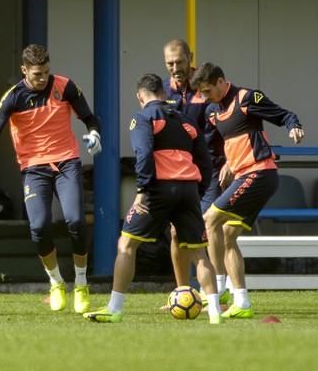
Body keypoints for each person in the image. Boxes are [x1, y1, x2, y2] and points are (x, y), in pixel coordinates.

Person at [0, 44, 101, 314]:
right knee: (39, 227)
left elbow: (89, 117)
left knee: (75, 220)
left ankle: (81, 284)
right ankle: (55, 283)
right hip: (33, 169)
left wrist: (95, 133)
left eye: (46, 73)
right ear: (24, 70)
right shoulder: (13, 97)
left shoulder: (64, 86)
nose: (43, 79)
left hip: (66, 163)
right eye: (37, 74)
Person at [83, 73, 223, 324]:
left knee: (126, 245)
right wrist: (197, 191)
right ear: (162, 92)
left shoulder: (143, 118)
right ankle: (214, 312)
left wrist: (142, 191)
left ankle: (114, 308)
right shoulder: (187, 121)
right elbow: (205, 161)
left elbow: (144, 154)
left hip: (157, 192)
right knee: (200, 254)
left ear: (140, 97)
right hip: (188, 191)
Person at [190, 62, 304, 319]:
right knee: (228, 235)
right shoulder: (212, 111)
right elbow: (235, 139)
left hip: (260, 173)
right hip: (245, 174)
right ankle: (241, 301)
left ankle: (217, 291)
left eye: (209, 90)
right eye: (203, 93)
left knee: (209, 219)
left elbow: (283, 115)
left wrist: (293, 126)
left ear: (221, 81)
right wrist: (230, 162)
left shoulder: (247, 98)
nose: (207, 96)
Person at [162, 39, 230, 305]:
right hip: (179, 173)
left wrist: (229, 161)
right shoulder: (164, 91)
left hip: (211, 171)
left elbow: (229, 123)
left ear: (190, 57)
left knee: (207, 228)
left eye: (180, 61)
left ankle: (218, 294)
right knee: (177, 232)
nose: (175, 68)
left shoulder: (206, 86)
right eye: (170, 63)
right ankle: (182, 294)